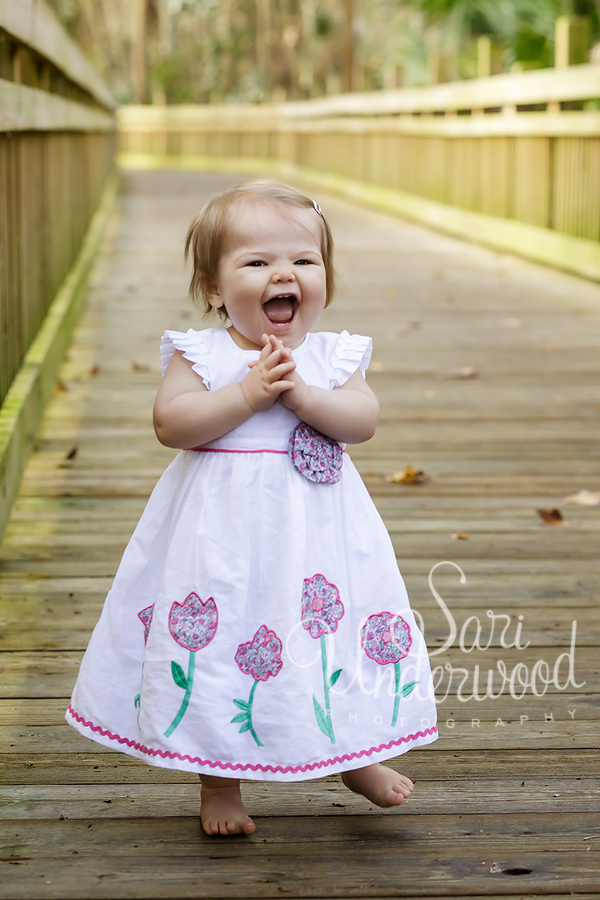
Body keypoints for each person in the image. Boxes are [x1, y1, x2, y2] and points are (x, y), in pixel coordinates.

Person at [66, 179, 438, 837]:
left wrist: (304, 399)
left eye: (303, 260)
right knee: (222, 645)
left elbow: (363, 420)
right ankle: (220, 782)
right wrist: (245, 395)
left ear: (324, 278)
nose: (283, 275)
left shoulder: (329, 356)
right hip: (222, 548)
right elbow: (171, 423)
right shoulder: (202, 354)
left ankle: (357, 752)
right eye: (258, 262)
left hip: (318, 544)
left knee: (334, 639)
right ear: (215, 289)